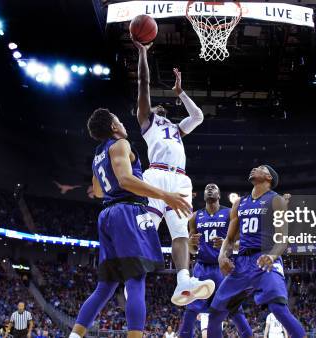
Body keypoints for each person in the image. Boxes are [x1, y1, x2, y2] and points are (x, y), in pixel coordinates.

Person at [68, 108, 191, 338]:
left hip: (106, 216)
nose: (124, 124)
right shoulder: (121, 144)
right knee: (136, 279)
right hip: (126, 212)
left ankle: (74, 335)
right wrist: (165, 195)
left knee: (106, 286)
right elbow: (125, 180)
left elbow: (97, 190)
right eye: (119, 121)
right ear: (114, 127)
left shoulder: (98, 155)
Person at [133, 38, 214, 306]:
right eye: (159, 109)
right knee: (148, 229)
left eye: (164, 109)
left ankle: (183, 281)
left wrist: (180, 92)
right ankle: (133, 278)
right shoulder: (147, 122)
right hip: (155, 176)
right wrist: (143, 53)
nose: (161, 110)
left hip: (180, 178)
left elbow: (199, 116)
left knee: (180, 233)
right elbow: (143, 84)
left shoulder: (176, 129)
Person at [207, 165, 306, 338]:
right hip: (242, 263)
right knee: (215, 314)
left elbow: (283, 239)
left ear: (269, 177)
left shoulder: (276, 200)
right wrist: (222, 256)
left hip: (265, 258)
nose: (253, 168)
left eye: (260, 168)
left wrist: (272, 256)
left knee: (278, 308)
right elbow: (230, 239)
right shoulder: (239, 203)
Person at [178, 184, 252, 338]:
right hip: (202, 268)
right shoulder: (194, 216)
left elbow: (241, 242)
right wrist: (192, 243)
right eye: (207, 188)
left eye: (214, 187)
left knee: (233, 308)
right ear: (204, 195)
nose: (210, 188)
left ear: (219, 195)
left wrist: (227, 243)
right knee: (191, 309)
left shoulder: (230, 213)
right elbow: (192, 250)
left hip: (223, 268)